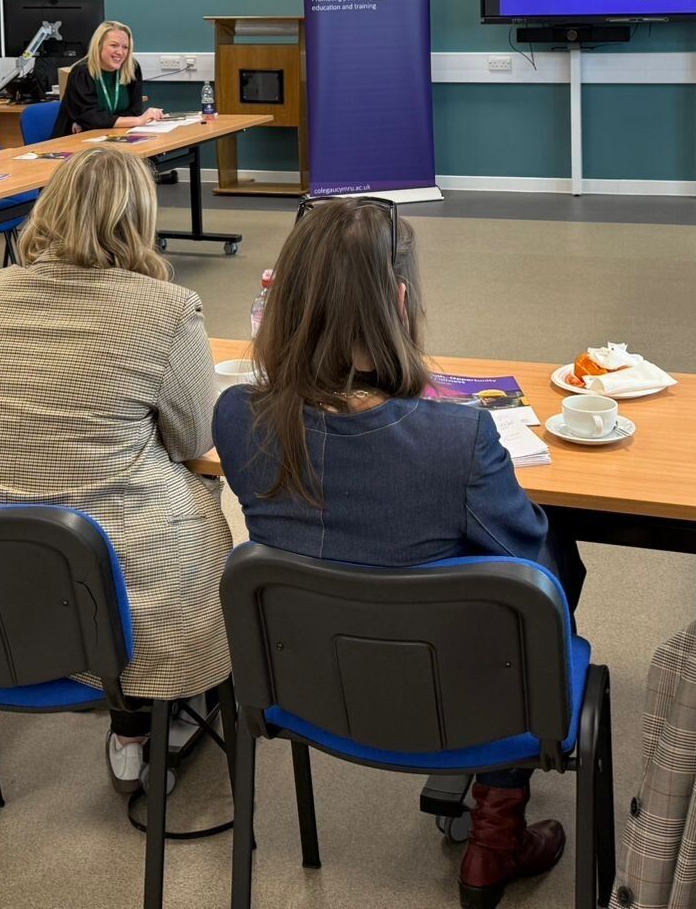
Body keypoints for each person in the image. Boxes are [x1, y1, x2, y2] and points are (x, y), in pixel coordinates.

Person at [213, 198, 585, 907]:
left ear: (283, 300)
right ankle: (496, 830)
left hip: (310, 690)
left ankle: (495, 822)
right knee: (553, 561)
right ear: (401, 302)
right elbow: (533, 571)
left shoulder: (236, 418)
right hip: (458, 698)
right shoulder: (459, 440)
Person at [0, 147, 230, 795]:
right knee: (199, 498)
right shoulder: (166, 307)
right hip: (111, 562)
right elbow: (194, 438)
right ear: (139, 220)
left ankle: (94, 692)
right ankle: (141, 713)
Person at [53, 21, 162, 136]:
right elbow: (90, 117)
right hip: (75, 139)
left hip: (114, 134)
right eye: (114, 45)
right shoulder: (82, 72)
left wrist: (103, 122)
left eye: (125, 47)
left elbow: (134, 110)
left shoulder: (132, 68)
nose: (120, 52)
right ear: (99, 45)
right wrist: (138, 121)